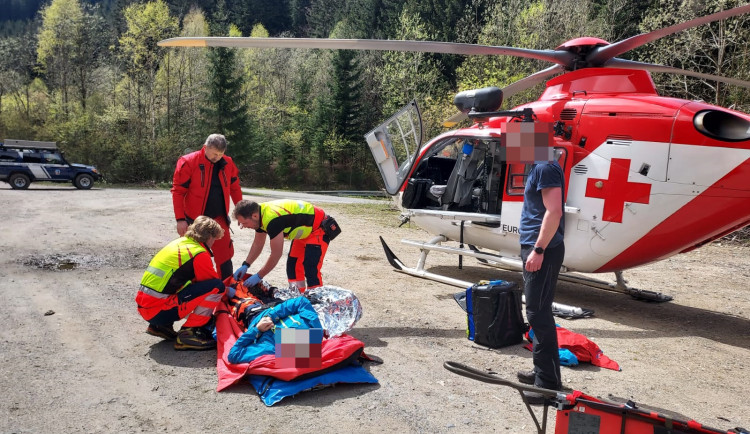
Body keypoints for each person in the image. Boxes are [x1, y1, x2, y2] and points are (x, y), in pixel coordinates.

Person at [136, 216, 227, 350]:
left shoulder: (179, 243)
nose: (213, 243)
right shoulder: (199, 253)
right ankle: (189, 333)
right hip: (159, 310)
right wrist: (228, 290)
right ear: (209, 237)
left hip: (145, 308)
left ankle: (160, 327)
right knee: (217, 287)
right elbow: (211, 283)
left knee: (186, 285)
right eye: (214, 239)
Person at [516, 158, 566, 405]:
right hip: (536, 246)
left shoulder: (545, 167)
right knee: (539, 312)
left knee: (537, 314)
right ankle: (544, 373)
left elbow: (554, 211)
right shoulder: (539, 166)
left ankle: (547, 386)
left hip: (542, 249)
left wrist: (539, 249)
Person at [171, 133, 242, 279]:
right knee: (193, 257)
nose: (217, 157)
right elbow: (178, 192)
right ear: (205, 148)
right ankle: (195, 294)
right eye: (214, 154)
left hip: (219, 218)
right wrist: (180, 219)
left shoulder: (228, 163)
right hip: (194, 220)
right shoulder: (188, 161)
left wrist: (241, 211)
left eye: (220, 154)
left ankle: (226, 291)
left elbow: (235, 188)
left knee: (225, 256)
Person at [232, 199, 337, 292]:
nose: (243, 227)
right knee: (293, 266)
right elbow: (258, 243)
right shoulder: (258, 214)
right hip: (305, 231)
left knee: (311, 268)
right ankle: (297, 296)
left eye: (244, 223)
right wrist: (246, 264)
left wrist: (259, 275)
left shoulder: (272, 219)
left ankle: (316, 300)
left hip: (318, 229)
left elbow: (276, 254)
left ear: (254, 216)